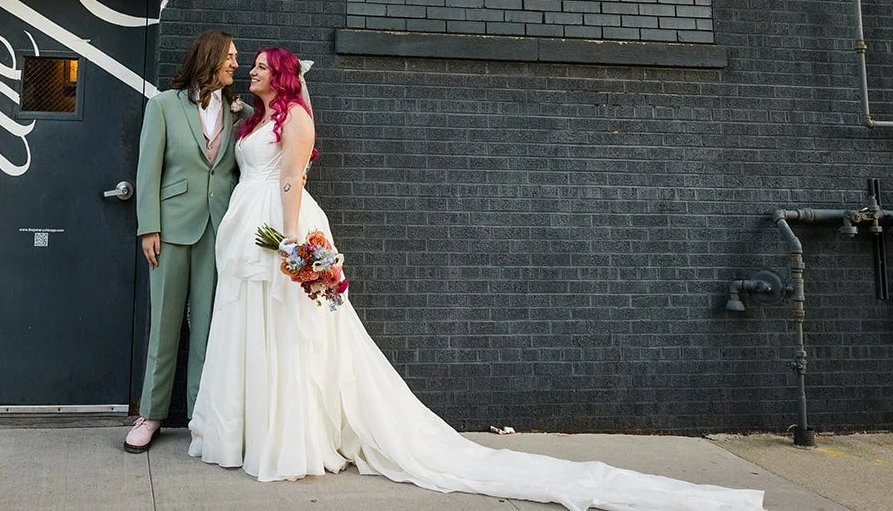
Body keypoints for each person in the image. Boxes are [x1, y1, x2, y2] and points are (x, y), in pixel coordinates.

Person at [188, 48, 765, 511]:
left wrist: (293, 246)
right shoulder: (255, 118)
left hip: (281, 228)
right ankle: (249, 432)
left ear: (282, 76)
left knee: (291, 333)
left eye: (261, 66)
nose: (253, 71)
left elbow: (290, 181)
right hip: (247, 227)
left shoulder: (297, 120)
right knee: (252, 327)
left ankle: (289, 439)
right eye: (251, 64)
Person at [123, 29, 242, 454]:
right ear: (210, 58)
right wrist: (148, 227)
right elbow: (147, 170)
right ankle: (152, 415)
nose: (235, 64)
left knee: (209, 328)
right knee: (165, 326)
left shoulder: (236, 112)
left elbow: (230, 173)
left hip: (217, 230)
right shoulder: (163, 106)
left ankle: (200, 416)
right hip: (171, 231)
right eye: (229, 57)